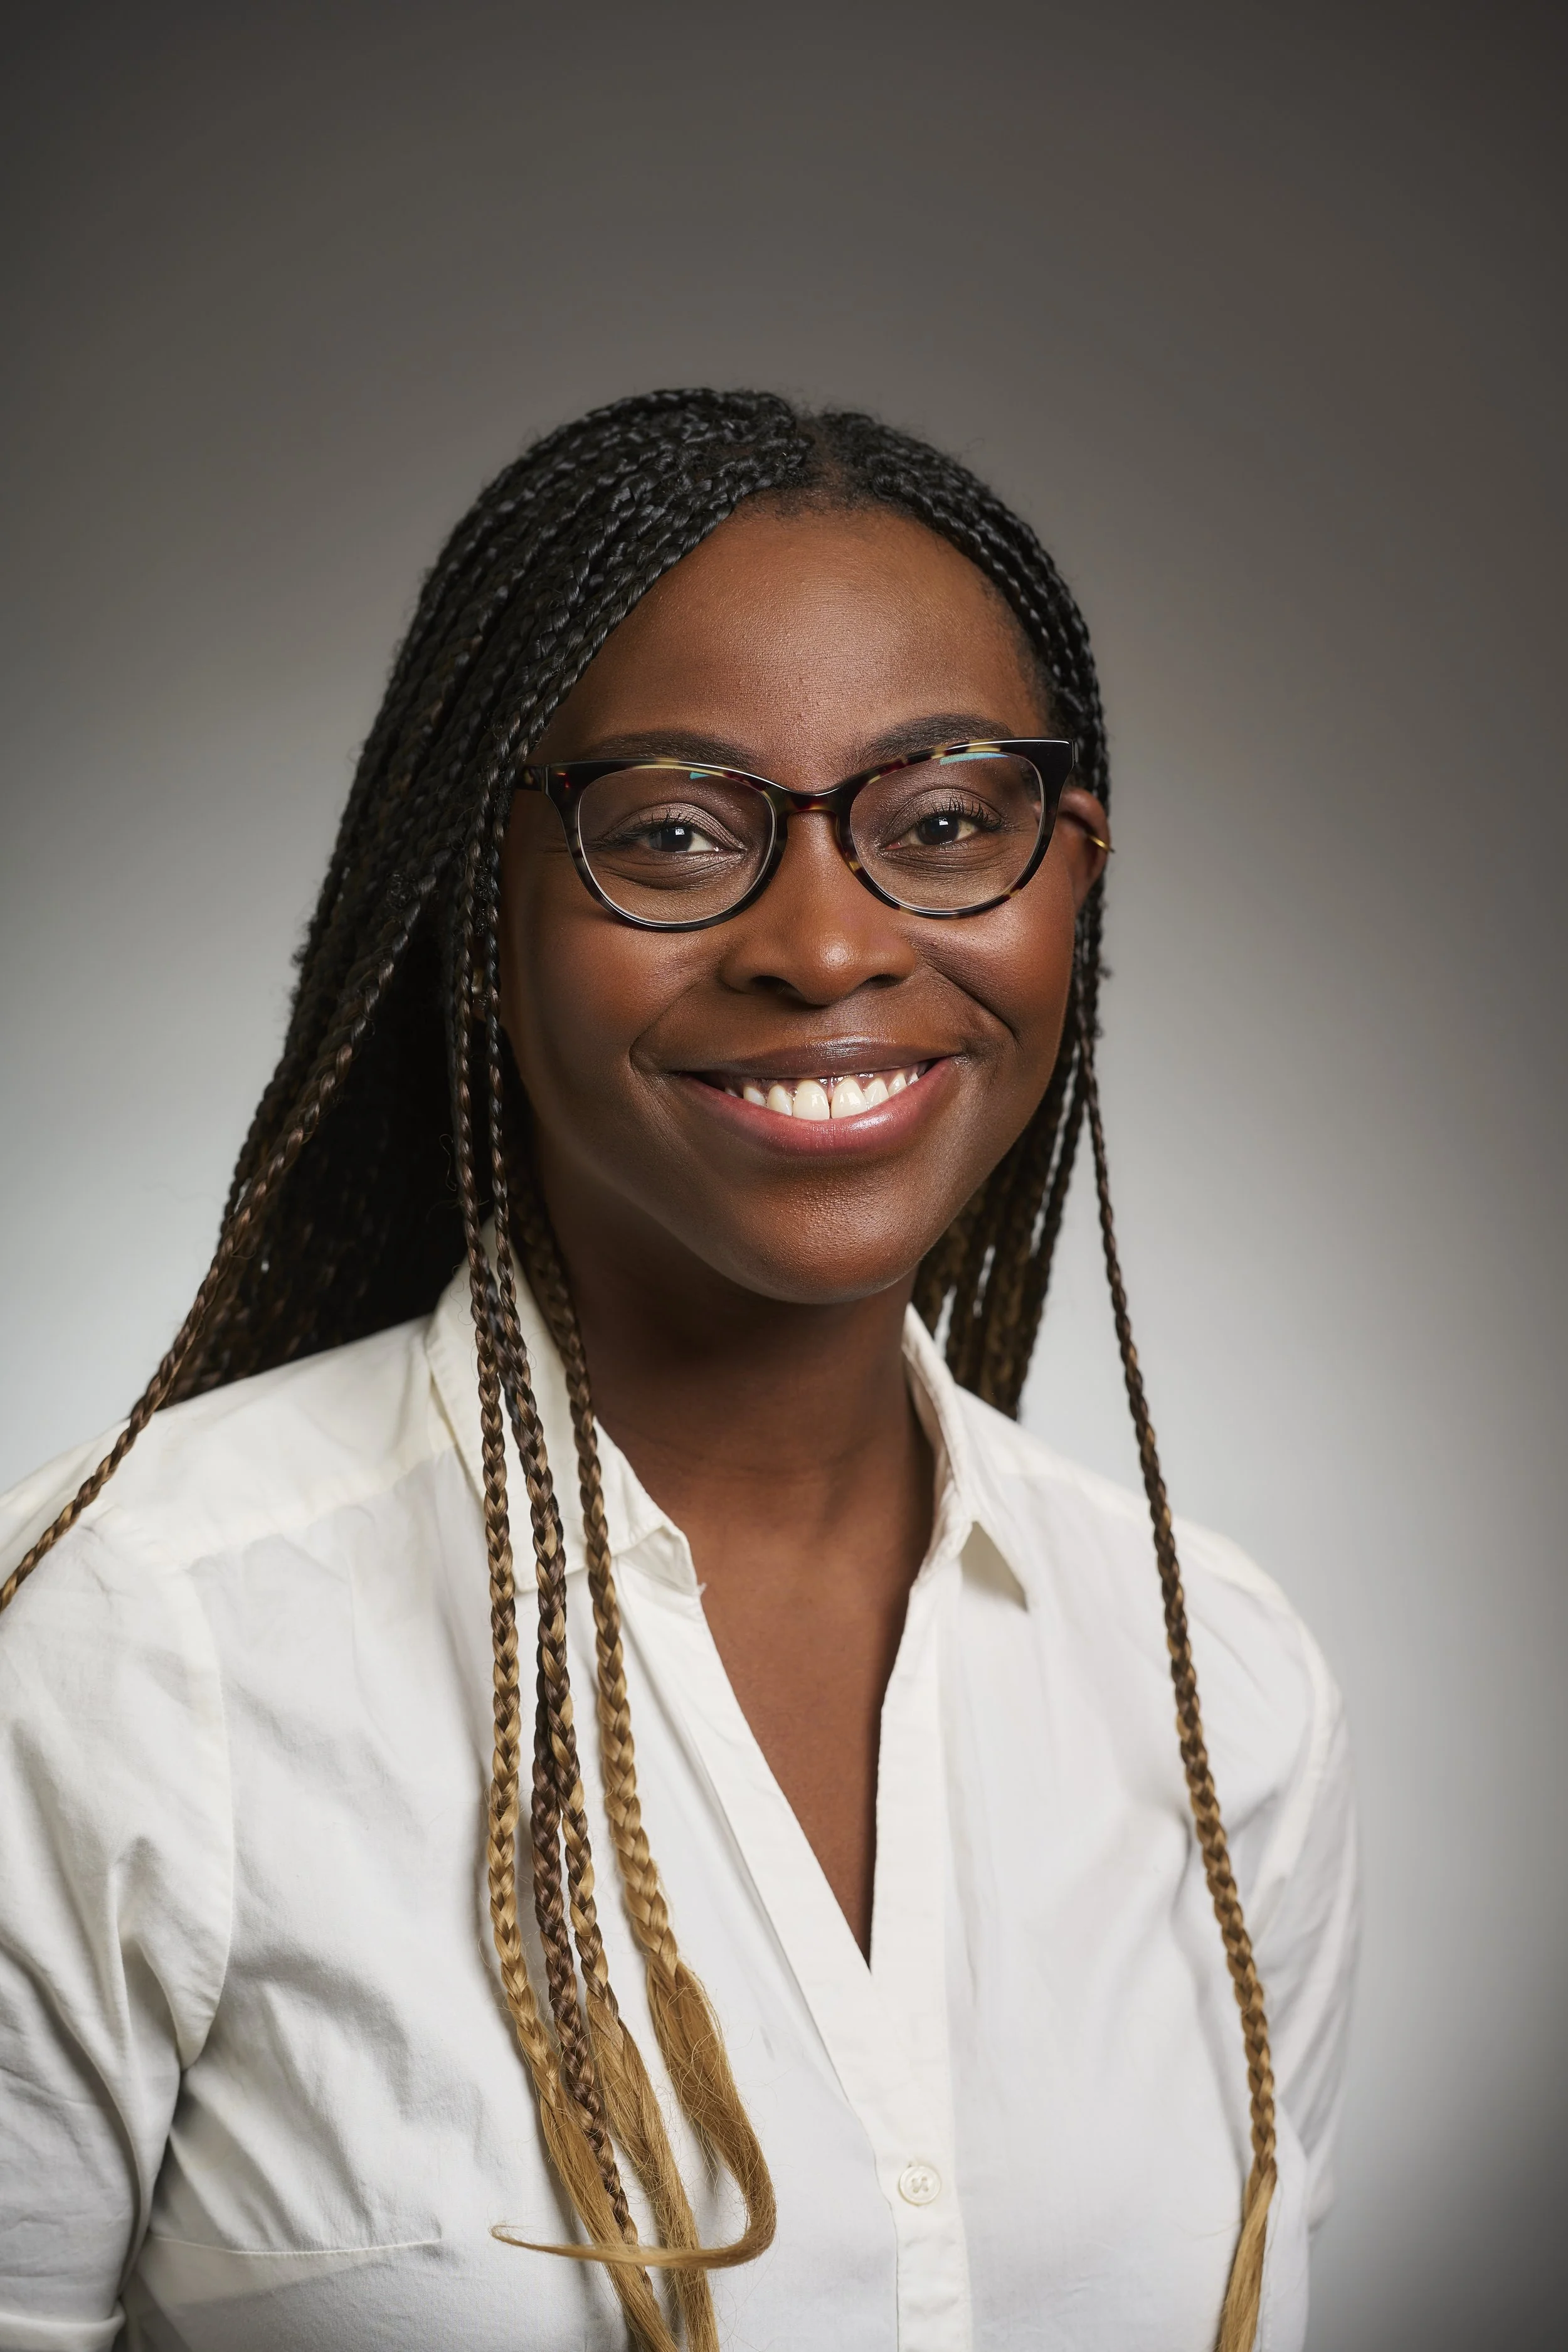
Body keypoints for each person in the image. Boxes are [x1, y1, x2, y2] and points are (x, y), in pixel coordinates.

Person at [0, 391, 1356, 2352]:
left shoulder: (1219, 1687)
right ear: (482, 915)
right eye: (669, 832)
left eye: (946, 822)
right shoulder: (121, 1651)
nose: (821, 940)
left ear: (1073, 878)